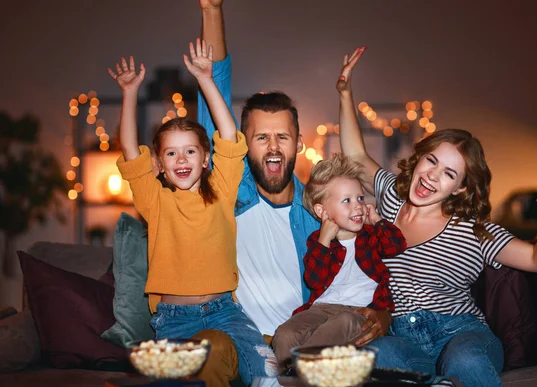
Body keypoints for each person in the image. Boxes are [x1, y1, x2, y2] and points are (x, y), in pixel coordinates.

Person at [336, 47, 537, 387]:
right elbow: (354, 154)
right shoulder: (391, 196)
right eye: (432, 162)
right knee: (377, 356)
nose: (432, 176)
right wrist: (345, 93)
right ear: (420, 158)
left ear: (459, 189)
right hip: (403, 335)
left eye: (449, 174)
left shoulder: (473, 231)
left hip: (462, 333)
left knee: (464, 360)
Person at [192, 1, 392, 385]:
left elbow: (367, 268)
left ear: (298, 144)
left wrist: (383, 315)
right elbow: (213, 89)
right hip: (243, 339)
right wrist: (212, 10)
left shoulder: (320, 213)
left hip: (307, 340)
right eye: (260, 137)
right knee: (212, 350)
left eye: (282, 137)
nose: (272, 147)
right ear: (243, 145)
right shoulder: (233, 193)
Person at [109, 38, 275, 386]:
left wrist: (205, 79)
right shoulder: (154, 200)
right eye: (171, 154)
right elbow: (128, 148)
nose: (181, 159)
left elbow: (229, 135)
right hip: (173, 319)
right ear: (158, 164)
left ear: (206, 158)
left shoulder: (223, 190)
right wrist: (129, 93)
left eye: (189, 151)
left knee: (266, 371)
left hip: (225, 312)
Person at [271, 153, 407, 367]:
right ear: (322, 211)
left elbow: (397, 245)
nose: (358, 206)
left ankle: (303, 371)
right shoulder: (319, 242)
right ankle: (294, 375)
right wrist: (324, 239)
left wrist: (378, 220)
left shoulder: (370, 236)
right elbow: (314, 280)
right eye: (347, 201)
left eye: (360, 198)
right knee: (285, 334)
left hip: (358, 312)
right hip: (320, 308)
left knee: (344, 322)